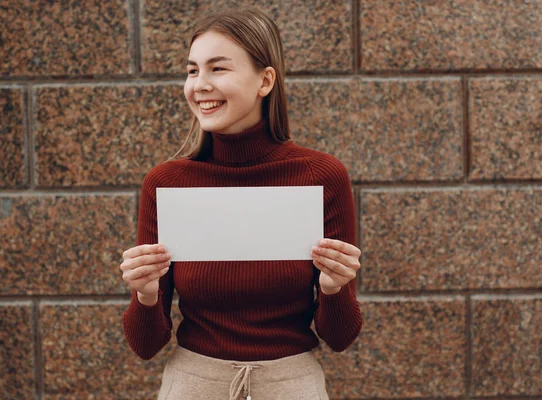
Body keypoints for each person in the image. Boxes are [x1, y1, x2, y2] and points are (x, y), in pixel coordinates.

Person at [120, 8, 362, 400]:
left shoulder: (321, 177)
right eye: (192, 70)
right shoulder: (166, 184)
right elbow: (145, 345)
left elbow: (340, 337)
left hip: (292, 384)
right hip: (192, 384)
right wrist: (147, 295)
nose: (200, 85)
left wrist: (333, 289)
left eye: (218, 69)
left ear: (265, 80)